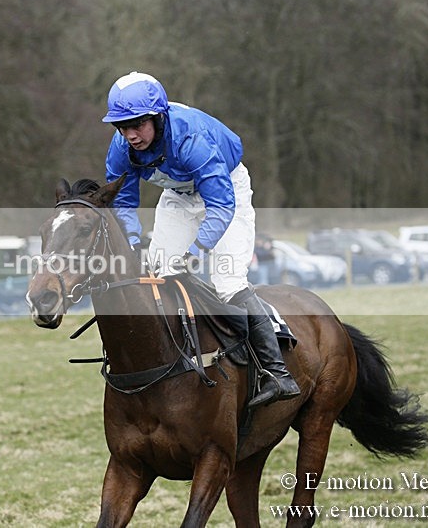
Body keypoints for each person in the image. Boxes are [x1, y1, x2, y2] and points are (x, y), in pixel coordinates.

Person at [102, 71, 299, 407]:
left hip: (225, 191)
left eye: (137, 125)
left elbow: (221, 205)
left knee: (227, 282)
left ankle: (276, 371)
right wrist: (133, 240)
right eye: (122, 126)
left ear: (158, 117)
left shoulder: (192, 140)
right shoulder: (123, 147)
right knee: (158, 273)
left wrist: (197, 251)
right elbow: (123, 198)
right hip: (177, 195)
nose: (129, 135)